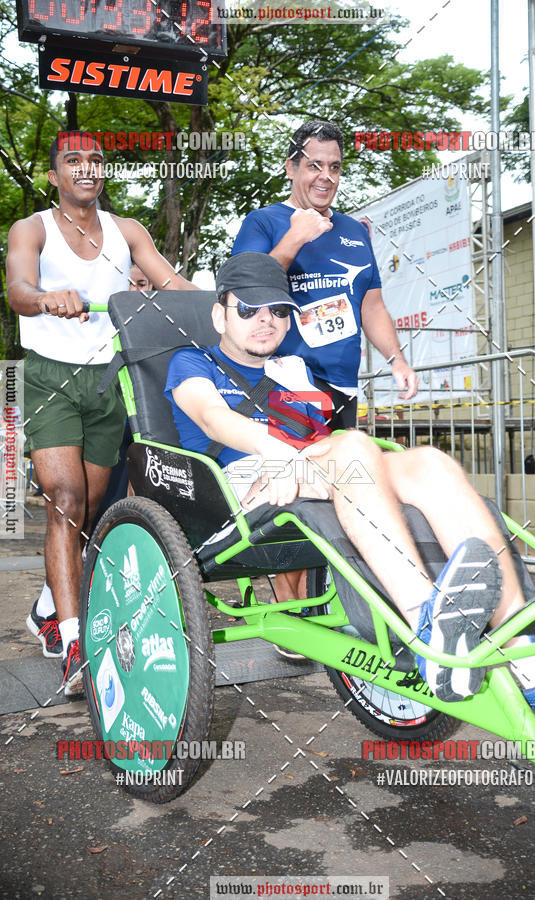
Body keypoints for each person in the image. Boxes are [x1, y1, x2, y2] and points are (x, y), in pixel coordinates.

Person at [165, 252, 535, 710]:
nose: (265, 321)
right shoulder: (193, 362)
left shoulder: (293, 372)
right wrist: (282, 455)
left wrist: (310, 459)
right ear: (219, 313)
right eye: (248, 309)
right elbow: (213, 420)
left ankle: (524, 644)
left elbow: (321, 443)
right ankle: (424, 624)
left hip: (315, 475)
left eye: (278, 310)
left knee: (429, 462)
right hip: (241, 487)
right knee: (352, 446)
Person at [7, 131, 197, 697]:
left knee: (88, 514)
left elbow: (173, 285)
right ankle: (73, 642)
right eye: (73, 161)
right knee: (63, 501)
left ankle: (46, 606)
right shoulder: (33, 229)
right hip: (49, 377)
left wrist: (225, 311)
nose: (86, 169)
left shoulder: (127, 232)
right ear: (54, 175)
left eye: (95, 160)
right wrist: (45, 297)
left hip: (109, 380)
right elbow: (17, 286)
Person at [232, 120, 419, 608]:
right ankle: (284, 608)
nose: (325, 176)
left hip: (341, 387)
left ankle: (315, 605)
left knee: (341, 491)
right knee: (291, 494)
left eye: (334, 167)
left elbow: (371, 304)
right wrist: (294, 238)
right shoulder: (265, 221)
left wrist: (396, 358)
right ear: (292, 167)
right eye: (313, 165)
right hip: (285, 379)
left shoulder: (355, 229)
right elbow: (247, 292)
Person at [27, 265, 156, 649]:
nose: (134, 289)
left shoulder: (152, 321)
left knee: (93, 521)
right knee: (72, 511)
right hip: (86, 401)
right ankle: (72, 639)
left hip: (132, 412)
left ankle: (45, 607)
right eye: (127, 283)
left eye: (142, 284)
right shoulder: (91, 322)